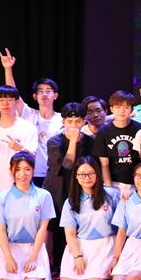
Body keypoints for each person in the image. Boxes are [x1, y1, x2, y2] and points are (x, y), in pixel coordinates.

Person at [0, 86, 40, 263]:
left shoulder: (27, 127)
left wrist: (19, 148)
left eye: (9, 99)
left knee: (19, 229)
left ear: (15, 102)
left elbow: (33, 156)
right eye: (1, 100)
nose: (5, 103)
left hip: (20, 189)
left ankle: (25, 266)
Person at [0, 152, 54, 280]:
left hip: (34, 248)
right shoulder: (1, 198)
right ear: (11, 170)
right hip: (10, 249)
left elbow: (43, 229)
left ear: (33, 170)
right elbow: (0, 231)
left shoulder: (44, 195)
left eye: (27, 169)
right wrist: (8, 257)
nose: (22, 174)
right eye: (18, 169)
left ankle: (34, 278)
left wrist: (33, 257)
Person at [42, 102, 95, 270]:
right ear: (63, 121)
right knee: (56, 227)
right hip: (57, 188)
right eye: (69, 121)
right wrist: (72, 142)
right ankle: (54, 266)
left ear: (84, 122)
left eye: (78, 121)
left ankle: (78, 262)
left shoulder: (90, 142)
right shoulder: (54, 142)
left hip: (80, 187)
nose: (73, 125)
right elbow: (66, 164)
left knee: (79, 225)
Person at [0, 49, 63, 183]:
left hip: (55, 173)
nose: (44, 94)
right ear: (35, 96)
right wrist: (8, 69)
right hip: (30, 172)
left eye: (48, 91)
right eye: (40, 91)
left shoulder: (62, 119)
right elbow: (14, 94)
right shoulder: (29, 114)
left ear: (55, 95)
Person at [58, 158, 119, 280]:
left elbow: (122, 227)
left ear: (97, 174)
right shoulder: (70, 201)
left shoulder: (112, 195)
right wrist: (78, 256)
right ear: (76, 176)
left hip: (105, 244)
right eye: (82, 174)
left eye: (91, 173)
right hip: (81, 246)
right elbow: (70, 234)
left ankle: (107, 279)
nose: (87, 178)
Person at [93, 90, 141, 194]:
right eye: (118, 107)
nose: (122, 111)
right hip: (113, 183)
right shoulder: (104, 132)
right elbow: (104, 164)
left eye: (126, 107)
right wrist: (109, 189)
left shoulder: (140, 129)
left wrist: (140, 186)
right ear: (111, 109)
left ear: (131, 110)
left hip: (137, 183)